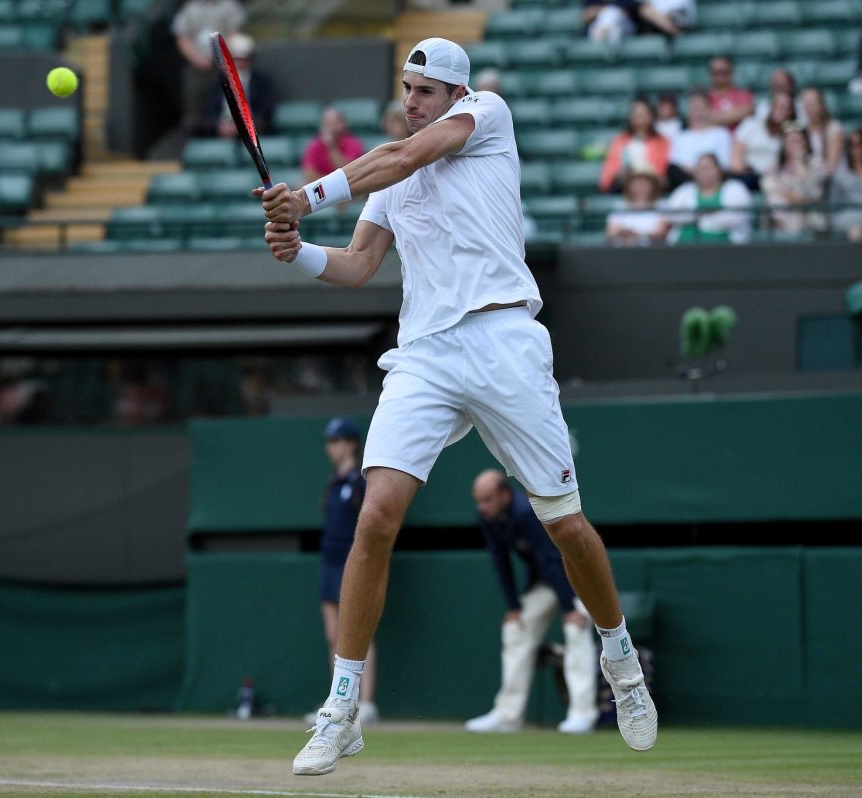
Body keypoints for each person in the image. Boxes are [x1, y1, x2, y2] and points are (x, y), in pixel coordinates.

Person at [257, 36, 657, 776]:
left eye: (423, 91)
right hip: (426, 356)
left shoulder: (487, 116)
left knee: (565, 526)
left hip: (506, 339)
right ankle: (343, 707)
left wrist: (306, 195)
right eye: (405, 89)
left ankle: (621, 662)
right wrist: (302, 252)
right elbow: (358, 264)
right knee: (375, 515)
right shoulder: (388, 177)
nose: (410, 101)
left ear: (454, 95)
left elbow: (403, 155)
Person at [464, 470, 599, 735]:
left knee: (576, 630)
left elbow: (552, 560)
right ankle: (508, 715)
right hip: (543, 583)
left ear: (504, 494)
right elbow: (500, 560)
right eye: (478, 501)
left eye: (487, 500)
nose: (482, 507)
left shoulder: (527, 513)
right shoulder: (487, 517)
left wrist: (570, 609)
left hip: (576, 578)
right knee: (516, 629)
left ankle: (582, 715)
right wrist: (514, 607)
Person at [310, 417, 380, 727]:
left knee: (357, 632)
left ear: (351, 443)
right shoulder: (333, 482)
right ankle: (336, 703)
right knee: (332, 636)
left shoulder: (358, 482)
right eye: (329, 442)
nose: (331, 447)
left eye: (337, 441)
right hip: (329, 564)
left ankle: (365, 704)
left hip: (352, 564)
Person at [172, 0, 245, 133]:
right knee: (194, 108)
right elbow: (182, 38)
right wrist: (197, 59)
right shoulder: (190, 8)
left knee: (225, 101)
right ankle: (196, 137)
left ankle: (228, 132)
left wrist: (219, 55)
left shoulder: (229, 6)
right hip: (197, 65)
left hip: (224, 65)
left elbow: (234, 33)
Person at [667, 153, 753, 244]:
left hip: (724, 246)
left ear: (719, 170)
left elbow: (737, 217)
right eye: (701, 169)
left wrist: (697, 217)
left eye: (709, 168)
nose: (705, 173)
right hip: (684, 245)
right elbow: (672, 215)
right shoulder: (684, 190)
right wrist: (711, 214)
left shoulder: (735, 188)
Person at [201, 33, 274, 139]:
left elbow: (265, 109)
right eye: (235, 59)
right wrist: (220, 125)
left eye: (243, 59)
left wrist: (242, 125)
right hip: (221, 126)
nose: (239, 63)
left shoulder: (260, 81)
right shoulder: (219, 81)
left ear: (250, 59)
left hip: (251, 127)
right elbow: (210, 107)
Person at [761, 123, 828, 235]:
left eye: (797, 141)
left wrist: (799, 163)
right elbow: (769, 189)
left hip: (810, 218)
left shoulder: (816, 163)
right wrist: (795, 198)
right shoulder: (775, 168)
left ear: (806, 143)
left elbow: (814, 192)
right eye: (790, 141)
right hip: (783, 220)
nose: (794, 145)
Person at [598, 97, 670, 193]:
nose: (639, 116)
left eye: (643, 113)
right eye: (636, 113)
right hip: (625, 185)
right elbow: (609, 173)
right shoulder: (619, 141)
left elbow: (661, 171)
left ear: (651, 116)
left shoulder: (662, 142)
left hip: (652, 186)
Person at [730, 91, 796, 191]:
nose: (782, 111)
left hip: (778, 178)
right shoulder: (750, 125)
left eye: (787, 108)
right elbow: (736, 159)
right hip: (748, 175)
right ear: (770, 107)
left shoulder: (791, 134)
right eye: (779, 106)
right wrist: (747, 170)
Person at [667, 90, 733, 188]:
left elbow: (725, 163)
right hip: (687, 180)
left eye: (701, 107)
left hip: (717, 181)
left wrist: (705, 172)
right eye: (694, 108)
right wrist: (697, 172)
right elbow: (675, 164)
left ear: (709, 109)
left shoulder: (721, 134)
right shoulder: (680, 137)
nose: (698, 112)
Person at [605, 168, 671, 245]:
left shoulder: (663, 205)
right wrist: (625, 234)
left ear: (652, 185)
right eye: (636, 182)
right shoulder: (620, 206)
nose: (640, 186)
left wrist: (637, 235)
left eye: (644, 182)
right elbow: (610, 233)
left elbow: (661, 232)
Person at [301, 106, 365, 184]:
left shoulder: (353, 143)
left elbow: (349, 173)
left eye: (334, 123)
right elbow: (309, 173)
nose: (330, 128)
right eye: (327, 124)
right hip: (322, 187)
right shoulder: (314, 145)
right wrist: (329, 185)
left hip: (348, 187)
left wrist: (332, 147)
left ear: (343, 124)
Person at [586, 0, 684, 46]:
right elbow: (585, 16)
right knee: (609, 14)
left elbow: (642, 10)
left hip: (625, 29)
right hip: (598, 29)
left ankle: (601, 46)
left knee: (612, 14)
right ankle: (602, 45)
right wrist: (603, 10)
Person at [801, 87, 846, 175]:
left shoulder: (834, 129)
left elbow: (831, 167)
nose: (810, 108)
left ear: (821, 105)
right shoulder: (802, 129)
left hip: (832, 180)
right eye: (807, 104)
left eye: (813, 103)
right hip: (810, 178)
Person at [706, 56, 755, 130]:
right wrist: (733, 114)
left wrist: (713, 117)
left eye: (724, 72)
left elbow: (747, 111)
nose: (720, 76)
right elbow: (699, 117)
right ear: (710, 74)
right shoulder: (704, 97)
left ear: (732, 72)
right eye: (716, 72)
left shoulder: (743, 95)